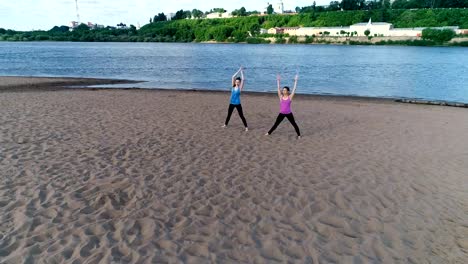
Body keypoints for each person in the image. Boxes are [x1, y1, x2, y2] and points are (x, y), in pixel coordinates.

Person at [265, 74, 301, 138]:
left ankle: (299, 135)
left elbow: (294, 89)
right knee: (276, 124)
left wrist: (296, 81)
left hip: (289, 113)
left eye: (284, 90)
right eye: (283, 90)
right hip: (281, 113)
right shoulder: (281, 97)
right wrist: (278, 81)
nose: (283, 91)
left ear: (287, 91)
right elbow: (278, 89)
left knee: (294, 124)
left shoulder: (290, 97)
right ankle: (269, 133)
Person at [222, 66, 248, 131]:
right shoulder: (233, 86)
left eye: (238, 82)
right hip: (231, 103)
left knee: (241, 115)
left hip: (238, 103)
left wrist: (242, 72)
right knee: (229, 114)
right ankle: (225, 124)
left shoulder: (240, 88)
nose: (237, 82)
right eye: (236, 81)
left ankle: (246, 127)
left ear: (239, 82)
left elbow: (243, 79)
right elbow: (233, 77)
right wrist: (239, 69)